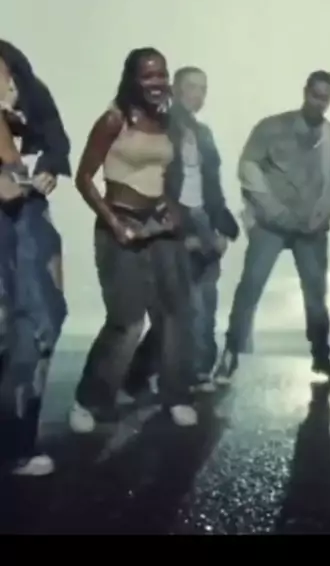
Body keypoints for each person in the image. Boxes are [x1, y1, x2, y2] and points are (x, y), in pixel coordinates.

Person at [68, 48, 198, 433]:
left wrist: (172, 208)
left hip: (158, 227)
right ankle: (89, 400)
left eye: (162, 75)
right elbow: (84, 178)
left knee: (174, 314)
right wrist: (114, 224)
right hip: (120, 224)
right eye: (148, 76)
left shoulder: (168, 120)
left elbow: (167, 174)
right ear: (132, 79)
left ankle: (176, 396)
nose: (157, 83)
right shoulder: (114, 119)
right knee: (127, 321)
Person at [214, 70, 330, 385]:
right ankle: (230, 354)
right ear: (305, 91)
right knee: (251, 287)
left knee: (316, 295)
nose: (319, 102)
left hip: (311, 229)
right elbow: (248, 167)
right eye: (315, 95)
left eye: (326, 98)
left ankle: (322, 359)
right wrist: (272, 210)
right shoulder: (271, 127)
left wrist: (323, 214)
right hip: (270, 226)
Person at [125, 66, 239, 396]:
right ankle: (146, 376)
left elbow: (212, 185)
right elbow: (152, 183)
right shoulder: (159, 127)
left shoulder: (203, 133)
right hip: (174, 220)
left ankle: (196, 370)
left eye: (203, 88)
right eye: (192, 87)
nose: (198, 94)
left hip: (203, 219)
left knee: (205, 301)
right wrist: (175, 231)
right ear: (175, 89)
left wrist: (222, 228)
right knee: (179, 308)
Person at [0, 40, 70, 477]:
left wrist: (47, 167)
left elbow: (57, 141)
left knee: (42, 320)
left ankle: (18, 443)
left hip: (28, 214)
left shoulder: (28, 90)